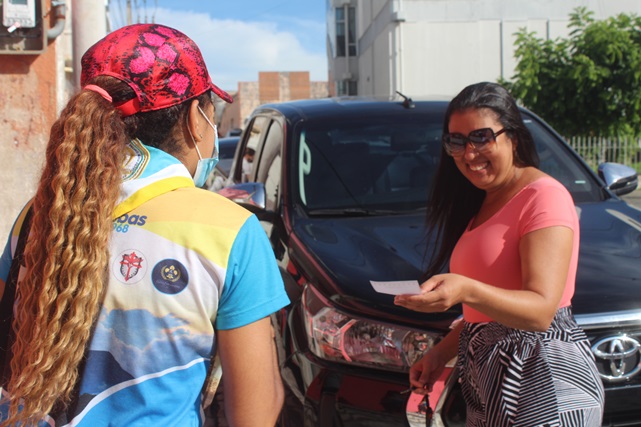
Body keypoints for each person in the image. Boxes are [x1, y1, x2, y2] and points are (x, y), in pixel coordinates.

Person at [0, 23, 289, 426]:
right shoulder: (230, 232)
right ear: (194, 117)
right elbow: (255, 410)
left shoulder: (37, 215)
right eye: (212, 111)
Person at [394, 82, 604, 426]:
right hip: (492, 383)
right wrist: (439, 355)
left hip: (544, 381)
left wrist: (464, 289)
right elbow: (487, 313)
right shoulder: (483, 201)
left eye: (481, 137)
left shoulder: (544, 196)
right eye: (457, 141)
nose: (469, 153)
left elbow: (540, 311)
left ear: (513, 137)